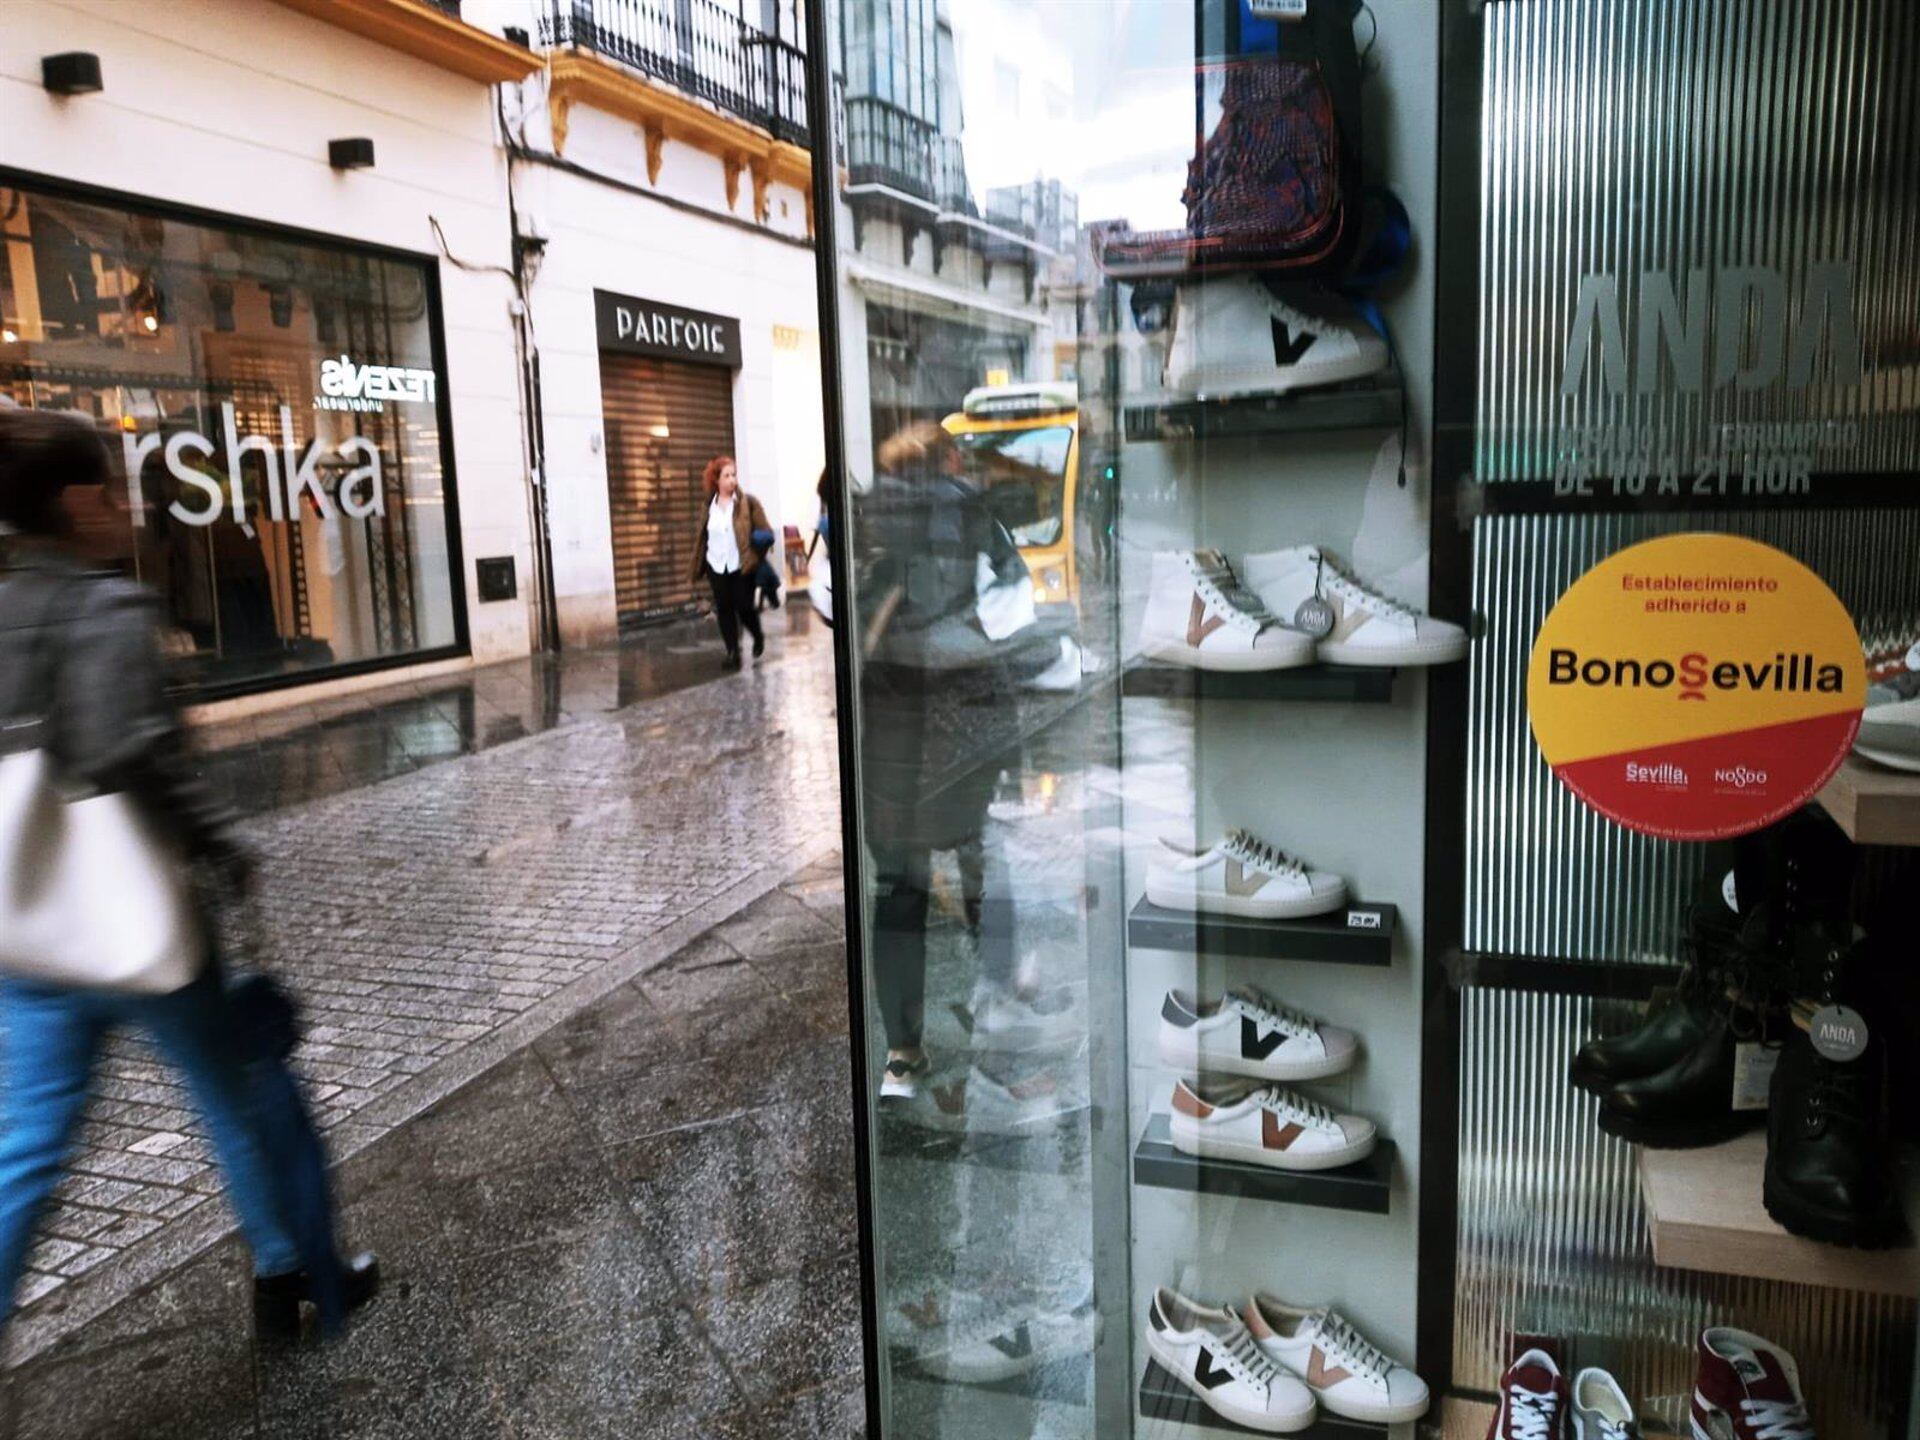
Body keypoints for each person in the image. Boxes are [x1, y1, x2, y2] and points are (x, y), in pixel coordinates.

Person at [0, 408, 376, 1341]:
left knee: (25, 1150)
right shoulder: (107, 609)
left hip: (26, 926)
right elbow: (135, 759)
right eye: (115, 487)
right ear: (77, 502)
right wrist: (220, 845)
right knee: (241, 1091)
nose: (129, 505)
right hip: (140, 923)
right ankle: (294, 1268)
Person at [688, 455, 772, 667]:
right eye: (726, 475)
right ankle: (732, 651)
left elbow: (766, 531)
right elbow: (702, 536)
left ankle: (757, 635)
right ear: (716, 480)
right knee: (724, 609)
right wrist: (699, 564)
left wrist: (756, 552)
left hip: (740, 564)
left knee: (744, 607)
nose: (732, 480)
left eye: (734, 475)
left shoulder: (747, 503)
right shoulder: (708, 506)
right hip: (715, 564)